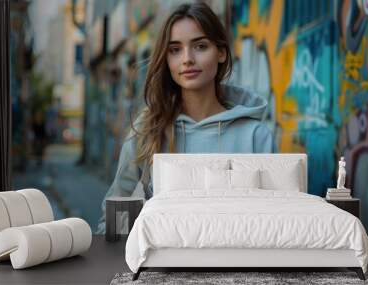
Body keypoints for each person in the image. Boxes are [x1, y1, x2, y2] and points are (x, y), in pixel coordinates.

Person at [97, 2, 274, 233]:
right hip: (161, 265)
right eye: (175, 50)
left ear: (221, 52)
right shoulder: (148, 130)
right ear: (166, 58)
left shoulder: (256, 136)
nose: (187, 59)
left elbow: (274, 222)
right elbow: (111, 222)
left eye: (200, 46)